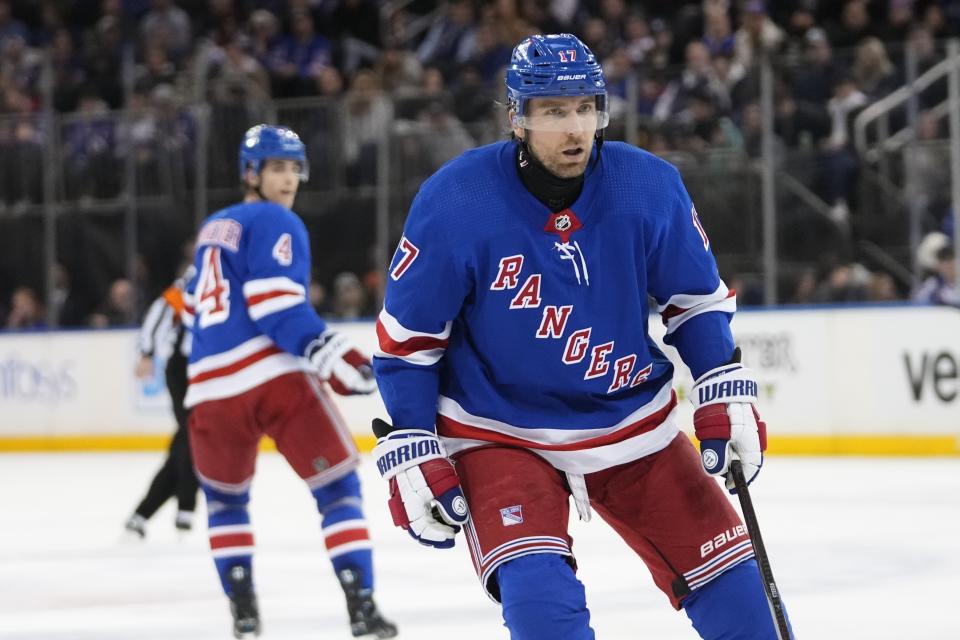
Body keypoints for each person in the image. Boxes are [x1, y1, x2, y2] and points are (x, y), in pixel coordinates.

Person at [371, 34, 793, 639]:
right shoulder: (455, 201)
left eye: (585, 108)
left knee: (750, 618)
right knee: (547, 620)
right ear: (517, 117)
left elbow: (694, 301)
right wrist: (412, 438)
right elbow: (409, 343)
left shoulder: (646, 185)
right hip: (500, 432)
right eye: (552, 111)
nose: (574, 129)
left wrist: (720, 379)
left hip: (633, 422)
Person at [183, 125, 397, 639]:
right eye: (276, 168)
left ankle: (244, 614)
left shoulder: (212, 228)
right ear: (251, 174)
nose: (287, 180)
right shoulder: (276, 220)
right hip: (272, 376)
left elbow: (193, 306)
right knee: (338, 487)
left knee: (226, 502)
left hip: (209, 390)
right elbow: (275, 306)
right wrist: (334, 357)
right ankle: (361, 608)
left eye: (292, 168)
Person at [124, 268, 199, 538]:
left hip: (207, 367)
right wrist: (147, 351)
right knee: (193, 433)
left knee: (190, 436)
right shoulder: (201, 269)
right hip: (183, 366)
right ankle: (185, 507)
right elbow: (163, 307)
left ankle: (143, 514)